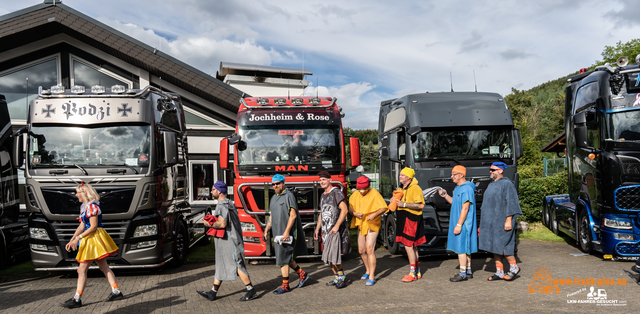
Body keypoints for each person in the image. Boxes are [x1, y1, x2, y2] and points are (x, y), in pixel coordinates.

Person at [61, 182, 122, 308]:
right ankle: (116, 291)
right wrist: (72, 239)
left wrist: (78, 238)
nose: (76, 195)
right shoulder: (85, 207)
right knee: (103, 267)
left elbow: (93, 227)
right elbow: (82, 225)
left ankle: (77, 299)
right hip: (91, 238)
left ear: (84, 193)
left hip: (94, 239)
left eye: (78, 192)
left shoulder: (92, 207)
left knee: (81, 269)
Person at [197, 181, 257, 301]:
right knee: (221, 264)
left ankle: (251, 290)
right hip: (228, 241)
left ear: (219, 191)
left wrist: (209, 224)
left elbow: (222, 224)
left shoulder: (222, 204)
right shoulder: (229, 203)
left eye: (213, 189)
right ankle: (213, 292)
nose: (211, 191)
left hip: (229, 242)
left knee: (237, 265)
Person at [263, 174, 310, 294]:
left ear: (283, 183)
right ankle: (302, 274)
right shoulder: (273, 197)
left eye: (277, 183)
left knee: (283, 258)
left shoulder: (289, 196)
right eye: (273, 184)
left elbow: (293, 215)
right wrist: (267, 229)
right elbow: (272, 216)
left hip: (286, 234)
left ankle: (285, 285)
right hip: (277, 234)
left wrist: (286, 231)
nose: (275, 186)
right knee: (285, 256)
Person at [479, 162, 523, 281]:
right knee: (494, 247)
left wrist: (508, 220)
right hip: (492, 222)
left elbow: (512, 202)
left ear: (500, 171)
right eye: (490, 169)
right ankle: (499, 272)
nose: (490, 172)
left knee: (504, 246)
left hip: (502, 221)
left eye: (493, 170)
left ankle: (514, 268)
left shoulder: (507, 184)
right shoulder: (491, 184)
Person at [438, 165, 478, 282]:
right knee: (465, 247)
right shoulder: (457, 188)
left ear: (462, 175)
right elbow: (454, 202)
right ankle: (468, 271)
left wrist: (459, 225)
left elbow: (465, 208)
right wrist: (445, 196)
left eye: (454, 174)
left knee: (462, 248)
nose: (452, 177)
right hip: (460, 223)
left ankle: (462, 273)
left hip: (464, 224)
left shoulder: (467, 189)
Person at [348, 175, 388, 286]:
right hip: (361, 224)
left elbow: (384, 207)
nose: (362, 192)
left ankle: (372, 276)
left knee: (369, 248)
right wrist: (355, 213)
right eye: (360, 189)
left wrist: (374, 214)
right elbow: (350, 208)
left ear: (368, 186)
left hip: (372, 223)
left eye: (364, 189)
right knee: (361, 250)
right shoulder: (355, 194)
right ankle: (367, 270)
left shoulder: (374, 193)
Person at [314, 171, 351, 288]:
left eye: (324, 179)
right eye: (320, 180)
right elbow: (322, 213)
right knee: (328, 258)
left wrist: (337, 226)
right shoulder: (323, 195)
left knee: (334, 257)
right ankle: (336, 278)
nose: (321, 182)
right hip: (325, 232)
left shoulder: (336, 192)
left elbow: (344, 210)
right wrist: (317, 228)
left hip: (334, 231)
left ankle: (342, 278)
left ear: (330, 180)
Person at [390, 167, 426, 282]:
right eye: (400, 175)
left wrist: (403, 204)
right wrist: (394, 201)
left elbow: (420, 205)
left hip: (412, 219)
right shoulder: (401, 188)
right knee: (413, 246)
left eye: (402, 175)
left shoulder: (415, 188)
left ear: (409, 178)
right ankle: (417, 271)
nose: (400, 177)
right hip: (403, 218)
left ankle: (412, 273)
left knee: (408, 245)